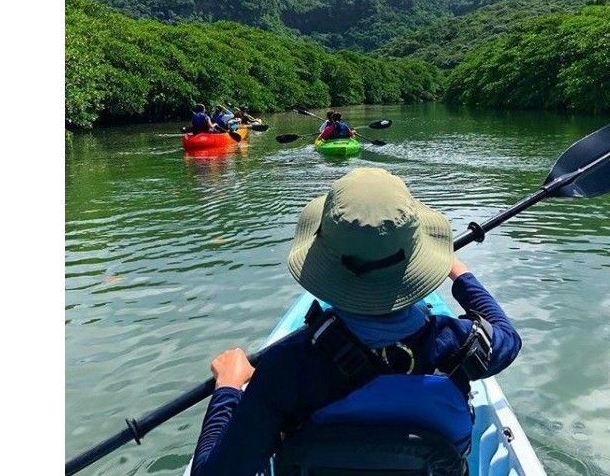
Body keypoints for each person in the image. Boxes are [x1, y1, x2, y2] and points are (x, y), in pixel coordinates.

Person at [190, 167, 522, 476]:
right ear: (417, 262)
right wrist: (458, 271)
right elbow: (507, 334)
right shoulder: (463, 344)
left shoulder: (285, 368)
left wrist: (229, 388)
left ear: (325, 263)